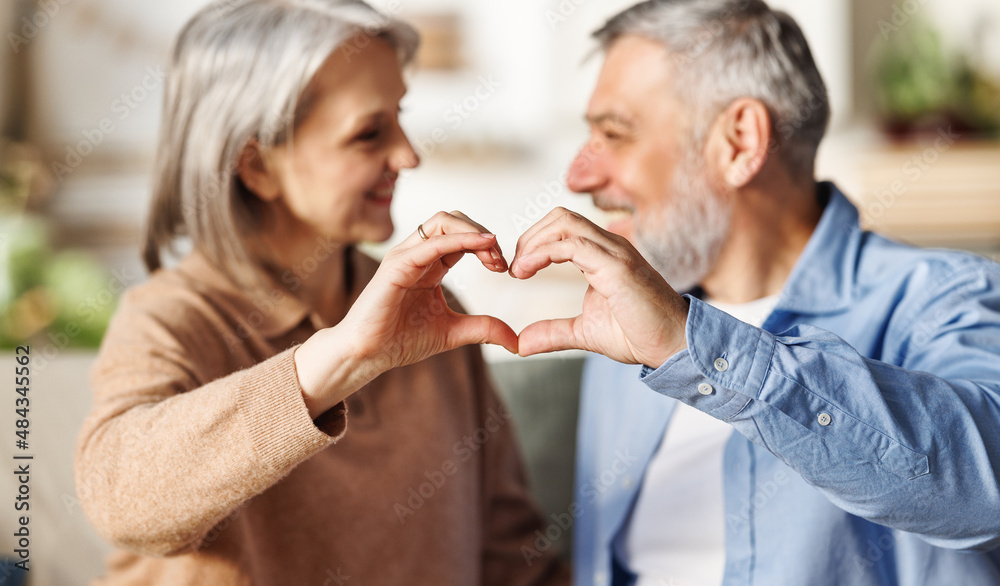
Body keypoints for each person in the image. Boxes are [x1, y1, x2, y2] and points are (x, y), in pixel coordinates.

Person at [73, 1, 569, 584]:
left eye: (400, 117)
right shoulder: (172, 318)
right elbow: (118, 500)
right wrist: (344, 358)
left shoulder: (434, 309)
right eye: (369, 133)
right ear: (256, 166)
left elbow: (512, 559)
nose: (408, 155)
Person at [507, 1, 1000, 584]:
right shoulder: (625, 318)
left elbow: (984, 489)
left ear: (739, 142)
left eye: (614, 133)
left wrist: (689, 347)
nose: (579, 177)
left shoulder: (943, 297)